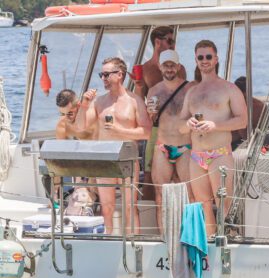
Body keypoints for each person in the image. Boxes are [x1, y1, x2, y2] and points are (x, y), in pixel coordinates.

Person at [75, 57, 151, 235]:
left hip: (128, 159)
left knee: (130, 207)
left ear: (120, 75)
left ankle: (133, 244)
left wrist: (119, 130)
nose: (103, 78)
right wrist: (84, 105)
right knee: (106, 207)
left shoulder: (134, 101)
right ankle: (108, 242)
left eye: (107, 74)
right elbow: (80, 127)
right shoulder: (100, 102)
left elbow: (146, 132)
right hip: (106, 160)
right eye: (101, 74)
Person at [179, 40, 247, 238]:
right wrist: (188, 124)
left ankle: (227, 246)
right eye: (200, 57)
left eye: (208, 57)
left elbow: (242, 120)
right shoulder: (192, 92)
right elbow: (180, 126)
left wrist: (216, 125)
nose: (205, 61)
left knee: (224, 204)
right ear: (196, 60)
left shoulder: (229, 88)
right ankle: (209, 246)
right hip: (196, 156)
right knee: (202, 206)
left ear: (216, 59)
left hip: (220, 153)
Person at [146, 50, 193, 234]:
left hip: (185, 146)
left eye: (173, 65)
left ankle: (188, 236)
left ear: (179, 66)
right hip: (162, 146)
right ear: (160, 67)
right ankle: (164, 237)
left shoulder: (190, 88)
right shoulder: (154, 90)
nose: (169, 68)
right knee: (160, 197)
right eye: (166, 65)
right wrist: (151, 114)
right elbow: (151, 122)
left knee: (190, 195)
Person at [135, 26, 187, 99]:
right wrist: (138, 88)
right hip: (154, 110)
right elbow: (139, 100)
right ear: (157, 42)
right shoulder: (144, 70)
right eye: (170, 41)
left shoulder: (180, 69)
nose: (173, 45)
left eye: (173, 42)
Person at [232, 76, 269, 147]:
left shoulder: (257, 107)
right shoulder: (261, 106)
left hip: (248, 144)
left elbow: (245, 136)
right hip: (256, 142)